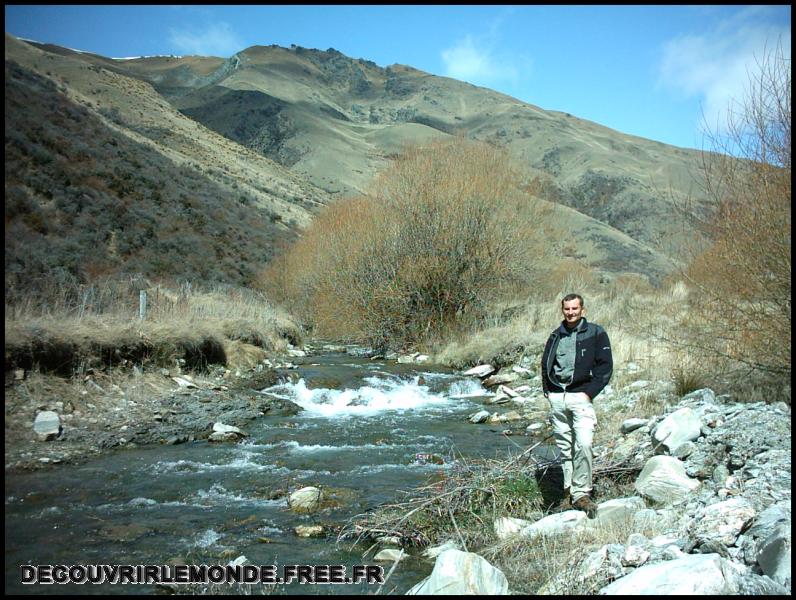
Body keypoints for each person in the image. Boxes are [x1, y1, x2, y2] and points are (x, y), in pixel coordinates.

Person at [541, 293, 612, 517]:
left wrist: (589, 394)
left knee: (584, 444)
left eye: (574, 309)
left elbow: (605, 366)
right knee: (566, 449)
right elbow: (546, 365)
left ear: (582, 309)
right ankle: (570, 492)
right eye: (567, 309)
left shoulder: (596, 333)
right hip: (558, 399)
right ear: (562, 310)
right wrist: (549, 392)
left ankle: (582, 493)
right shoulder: (555, 335)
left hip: (580, 397)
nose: (571, 313)